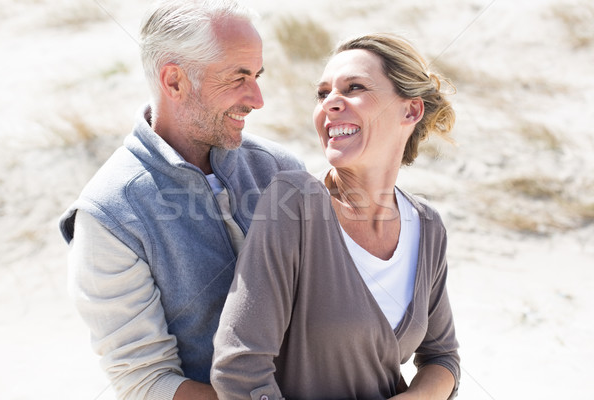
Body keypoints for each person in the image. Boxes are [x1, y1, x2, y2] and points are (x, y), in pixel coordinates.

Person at [58, 0, 304, 399]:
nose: (257, 99)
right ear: (174, 81)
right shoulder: (108, 217)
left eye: (257, 76)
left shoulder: (281, 169)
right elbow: (147, 381)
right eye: (238, 77)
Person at [211, 33, 460, 400]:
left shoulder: (427, 226)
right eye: (322, 93)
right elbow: (239, 369)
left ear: (410, 110)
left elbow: (442, 357)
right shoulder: (295, 203)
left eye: (354, 87)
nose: (330, 103)